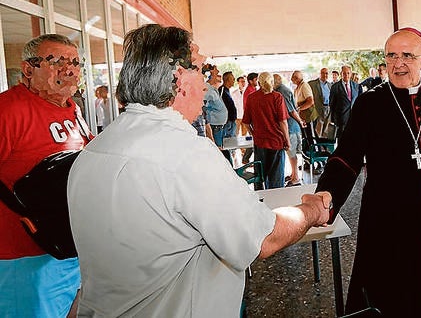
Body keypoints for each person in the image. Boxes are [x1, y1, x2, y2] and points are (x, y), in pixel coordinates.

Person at [67, 24, 331, 316]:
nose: (206, 86)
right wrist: (311, 211)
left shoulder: (93, 150)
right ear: (179, 79)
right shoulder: (186, 154)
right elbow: (263, 238)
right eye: (201, 72)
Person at [316, 27, 421, 316]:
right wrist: (325, 197)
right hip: (386, 220)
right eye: (391, 55)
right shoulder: (370, 102)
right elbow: (346, 157)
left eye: (407, 55)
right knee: (385, 291)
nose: (398, 63)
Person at [0, 34, 91, 317]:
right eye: (57, 61)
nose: (70, 69)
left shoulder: (72, 110)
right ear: (28, 70)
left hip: (70, 247)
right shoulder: (8, 110)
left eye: (75, 62)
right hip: (21, 255)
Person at [243, 72, 291, 189]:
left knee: (259, 176)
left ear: (259, 83)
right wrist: (287, 140)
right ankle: (275, 204)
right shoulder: (277, 97)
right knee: (276, 178)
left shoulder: (252, 98)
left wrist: (253, 133)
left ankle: (259, 202)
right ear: (272, 82)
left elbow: (246, 122)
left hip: (260, 142)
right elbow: (283, 122)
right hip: (276, 142)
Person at [274, 73, 306, 186]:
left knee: (291, 153)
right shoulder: (283, 90)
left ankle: (296, 177)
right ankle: (293, 174)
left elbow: (291, 111)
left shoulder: (282, 91)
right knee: (290, 153)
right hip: (291, 126)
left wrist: (300, 121)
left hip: (291, 127)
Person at [329, 65, 361, 141]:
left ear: (351, 74)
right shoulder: (335, 87)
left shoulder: (356, 86)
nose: (346, 75)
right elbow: (332, 104)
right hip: (341, 120)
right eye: (344, 73)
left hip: (354, 119)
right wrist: (334, 120)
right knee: (342, 141)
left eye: (348, 73)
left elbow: (360, 103)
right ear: (341, 74)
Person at [292, 70, 317, 145]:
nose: (292, 80)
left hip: (309, 116)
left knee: (311, 137)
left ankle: (315, 153)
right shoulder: (298, 87)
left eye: (293, 78)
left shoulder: (304, 85)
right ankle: (308, 152)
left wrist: (299, 108)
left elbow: (310, 101)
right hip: (303, 117)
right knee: (306, 137)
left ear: (296, 78)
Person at [309, 67, 332, 138]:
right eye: (323, 73)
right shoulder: (312, 84)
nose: (325, 75)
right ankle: (318, 147)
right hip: (318, 109)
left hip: (328, 109)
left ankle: (325, 148)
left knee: (326, 130)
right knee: (318, 130)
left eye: (326, 73)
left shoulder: (330, 85)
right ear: (320, 74)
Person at [242, 72, 259, 163]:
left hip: (253, 118)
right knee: (254, 139)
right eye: (256, 79)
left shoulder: (253, 89)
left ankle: (246, 158)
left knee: (253, 139)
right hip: (252, 119)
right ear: (250, 81)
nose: (257, 81)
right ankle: (246, 158)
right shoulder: (249, 91)